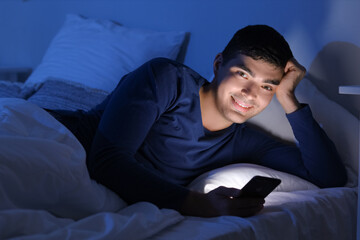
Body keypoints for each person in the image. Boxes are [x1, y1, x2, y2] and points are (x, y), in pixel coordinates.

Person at [48, 25, 347, 218]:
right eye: (242, 75)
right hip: (55, 138)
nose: (250, 94)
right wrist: (196, 203)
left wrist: (288, 99)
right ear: (218, 65)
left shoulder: (244, 142)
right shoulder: (167, 79)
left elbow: (329, 178)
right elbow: (107, 160)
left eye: (266, 86)